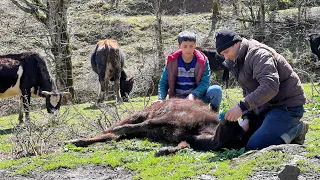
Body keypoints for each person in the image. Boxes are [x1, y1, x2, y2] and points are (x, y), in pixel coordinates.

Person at [215, 29, 308, 150]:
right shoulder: (236, 59)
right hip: (264, 108)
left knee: (256, 146)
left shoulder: (259, 54)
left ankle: (296, 130)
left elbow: (270, 86)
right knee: (240, 141)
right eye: (223, 54)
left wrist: (241, 107)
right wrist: (247, 117)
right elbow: (247, 89)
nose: (226, 57)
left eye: (227, 51)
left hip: (286, 107)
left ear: (237, 43)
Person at [156, 31, 222, 112]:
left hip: (196, 98)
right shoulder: (172, 61)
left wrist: (193, 95)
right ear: (179, 46)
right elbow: (163, 82)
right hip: (177, 101)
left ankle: (214, 116)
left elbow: (205, 83)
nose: (188, 49)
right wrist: (161, 99)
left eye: (191, 46)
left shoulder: (203, 61)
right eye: (185, 46)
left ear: (195, 45)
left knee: (216, 90)